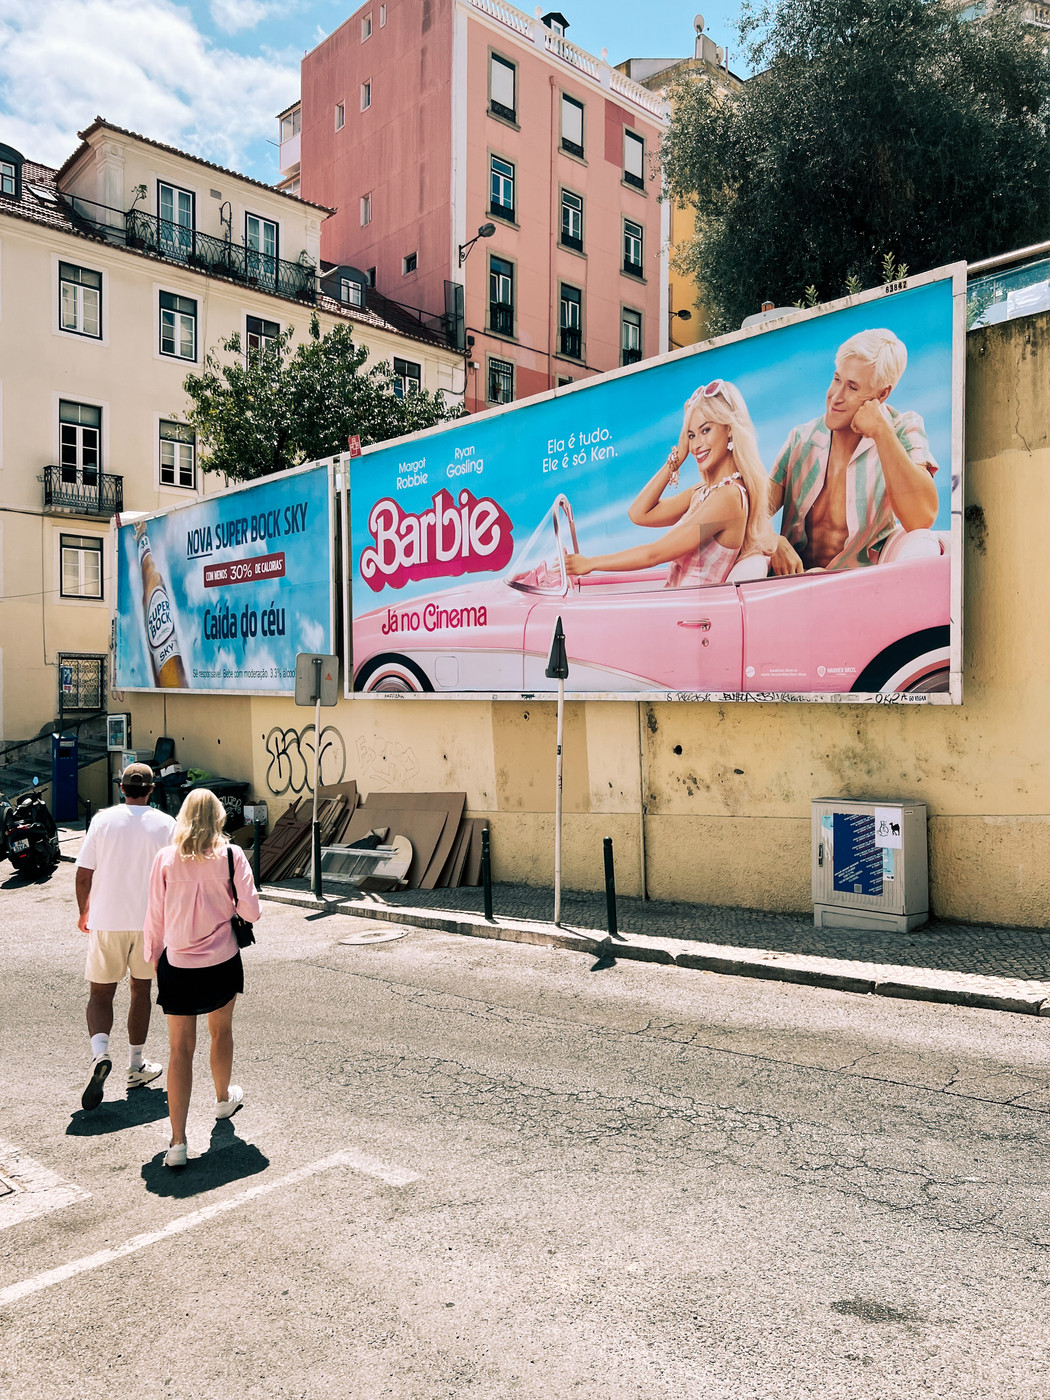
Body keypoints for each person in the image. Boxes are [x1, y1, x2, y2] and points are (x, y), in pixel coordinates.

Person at [143, 789, 261, 1168]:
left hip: (178, 964)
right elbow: (252, 911)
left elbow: (155, 918)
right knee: (221, 1031)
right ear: (218, 817)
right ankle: (223, 1099)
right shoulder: (231, 855)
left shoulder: (165, 859)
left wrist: (154, 958)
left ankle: (177, 1143)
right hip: (223, 960)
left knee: (179, 1049)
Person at [566, 379, 775, 586]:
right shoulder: (703, 492)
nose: (696, 445)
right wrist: (679, 456)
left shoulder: (728, 498)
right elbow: (639, 513)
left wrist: (590, 563)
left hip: (691, 615)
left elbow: (653, 554)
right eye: (691, 435)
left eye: (706, 430)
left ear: (729, 428)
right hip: (676, 607)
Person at [769, 329, 940, 574]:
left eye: (852, 387)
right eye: (837, 379)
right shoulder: (802, 438)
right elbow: (753, 510)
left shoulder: (903, 430)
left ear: (882, 394)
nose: (835, 397)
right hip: (788, 587)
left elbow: (921, 519)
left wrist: (882, 432)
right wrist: (772, 540)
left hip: (854, 590)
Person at [75, 762, 176, 1111]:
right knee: (141, 990)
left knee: (101, 993)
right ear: (151, 789)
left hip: (107, 919)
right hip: (149, 923)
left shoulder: (102, 820)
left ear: (121, 788)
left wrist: (84, 911)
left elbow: (83, 874)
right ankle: (136, 1065)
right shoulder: (166, 824)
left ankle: (100, 1053)